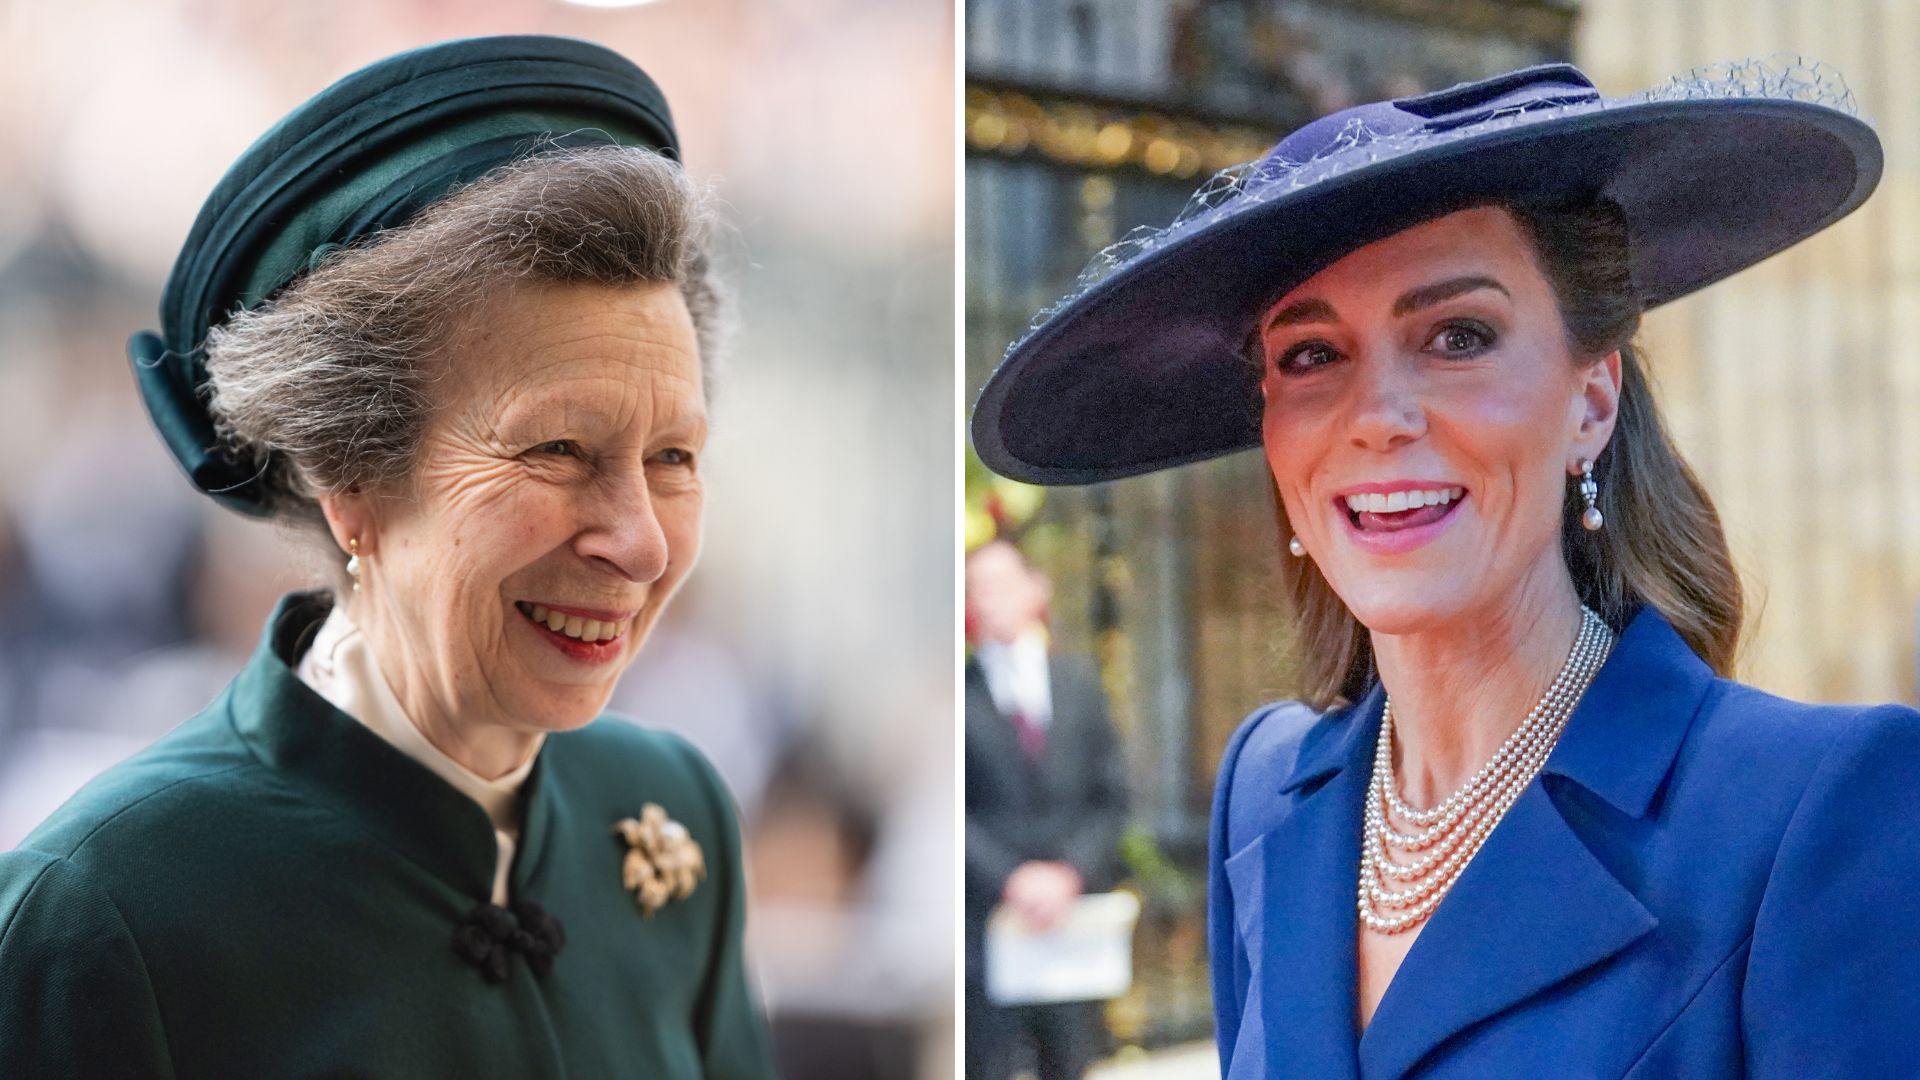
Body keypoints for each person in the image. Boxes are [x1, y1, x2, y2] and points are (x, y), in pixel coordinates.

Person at [972, 61, 1920, 1077]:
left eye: (1457, 336)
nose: (1378, 419)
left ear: (1591, 402)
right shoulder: (1267, 790)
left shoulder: (1812, 807)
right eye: (1310, 356)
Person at [0, 36, 775, 1078]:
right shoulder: (100, 914)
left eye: (672, 456)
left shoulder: (673, 813)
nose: (638, 542)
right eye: (557, 450)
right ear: (350, 478)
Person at [964, 538, 1128, 1080]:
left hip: (1070, 927)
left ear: (1037, 589)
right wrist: (1011, 879)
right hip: (986, 925)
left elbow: (1112, 797)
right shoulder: (956, 692)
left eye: (1002, 585)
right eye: (977, 589)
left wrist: (1069, 874)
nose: (990, 601)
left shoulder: (1078, 684)